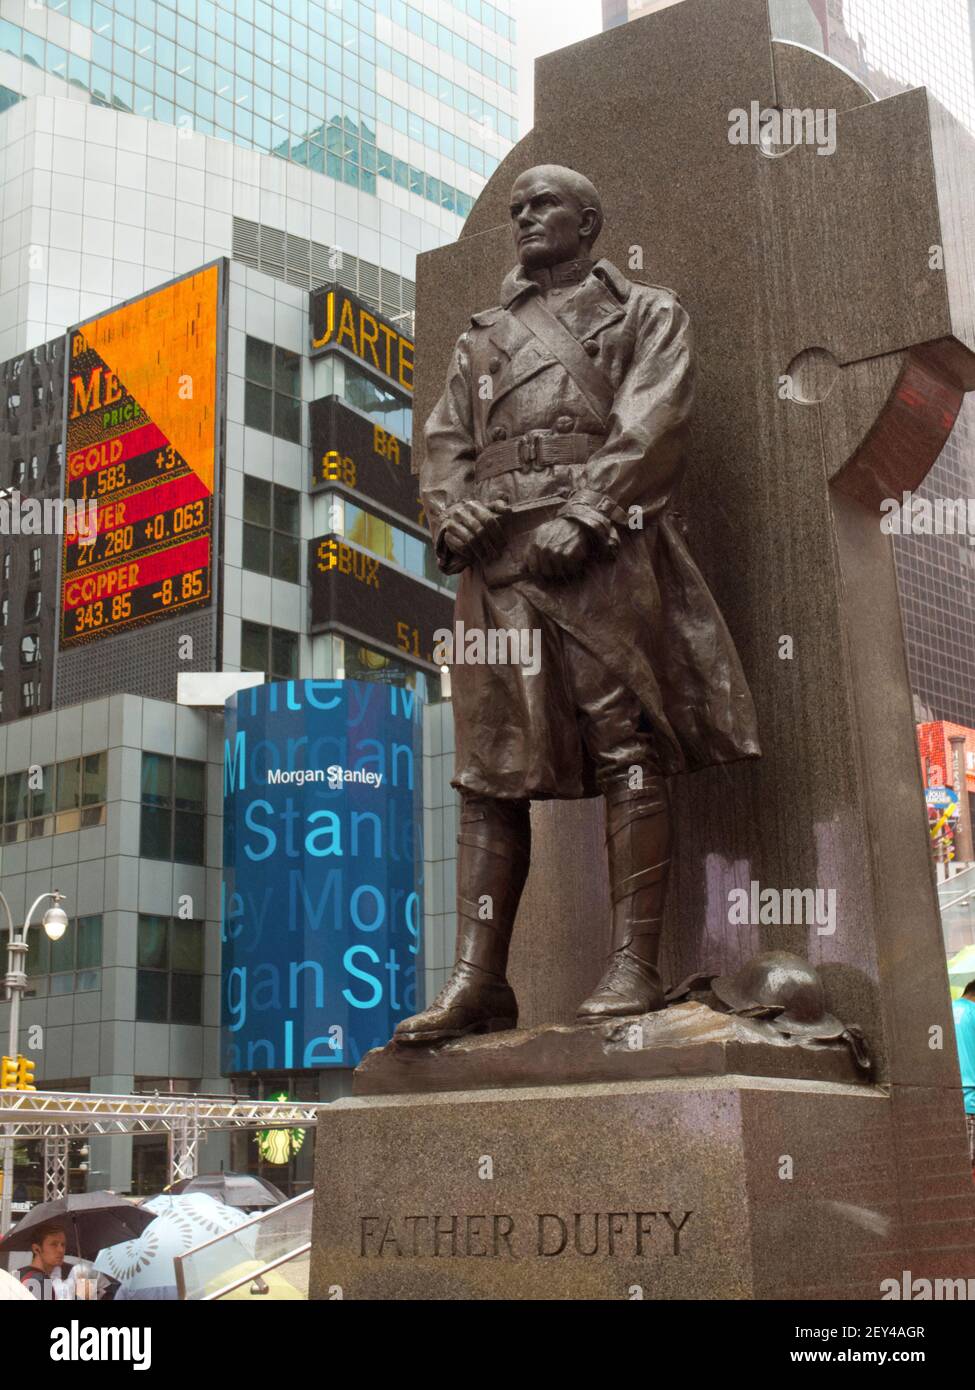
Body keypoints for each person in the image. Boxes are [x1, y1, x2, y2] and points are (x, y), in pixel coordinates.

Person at [394, 164, 760, 1044]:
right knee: (486, 772)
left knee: (622, 744)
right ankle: (478, 981)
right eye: (515, 207)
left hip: (594, 556)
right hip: (494, 565)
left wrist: (593, 509)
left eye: (543, 204)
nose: (524, 216)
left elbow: (653, 420)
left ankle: (634, 960)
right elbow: (441, 444)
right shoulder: (481, 336)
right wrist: (453, 514)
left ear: (588, 221)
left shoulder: (646, 312)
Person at [952, 978, 975, 1171]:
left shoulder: (943, 1011)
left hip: (949, 1100)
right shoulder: (973, 1012)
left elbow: (935, 1047)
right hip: (972, 1101)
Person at [17, 1224, 70, 1300]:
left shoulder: (18, 1273)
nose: (61, 1250)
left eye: (63, 1244)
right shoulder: (41, 1281)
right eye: (54, 1244)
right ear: (36, 1249)